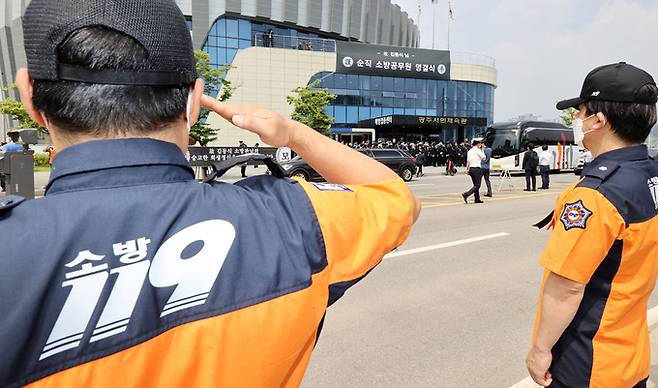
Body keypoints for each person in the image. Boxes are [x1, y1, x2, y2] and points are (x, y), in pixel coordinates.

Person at [0, 1, 421, 386]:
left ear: (30, 95)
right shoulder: (293, 218)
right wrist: (293, 132)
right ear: (194, 101)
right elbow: (393, 195)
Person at [525, 62, 658, 388]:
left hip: (587, 364)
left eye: (580, 111)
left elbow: (567, 285)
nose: (576, 119)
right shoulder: (649, 175)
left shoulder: (596, 194)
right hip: (630, 355)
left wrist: (540, 349)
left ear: (598, 120)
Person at [462, 139, 485, 204]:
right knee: (477, 185)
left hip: (471, 169)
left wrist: (467, 169)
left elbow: (468, 161)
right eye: (480, 144)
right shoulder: (478, 150)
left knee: (475, 184)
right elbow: (484, 158)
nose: (481, 145)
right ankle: (466, 194)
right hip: (476, 169)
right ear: (478, 144)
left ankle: (477, 199)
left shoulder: (470, 151)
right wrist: (482, 150)